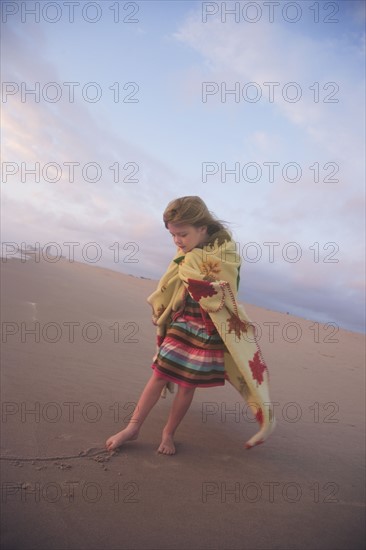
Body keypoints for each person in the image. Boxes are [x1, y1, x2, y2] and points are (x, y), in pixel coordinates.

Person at [106, 196, 275, 455]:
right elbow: (175, 281)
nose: (177, 241)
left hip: (208, 330)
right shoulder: (187, 254)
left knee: (187, 385)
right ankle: (133, 427)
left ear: (203, 228)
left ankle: (168, 432)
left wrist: (198, 275)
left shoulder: (225, 254)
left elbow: (226, 289)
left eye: (182, 234)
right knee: (159, 375)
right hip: (183, 322)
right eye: (173, 236)